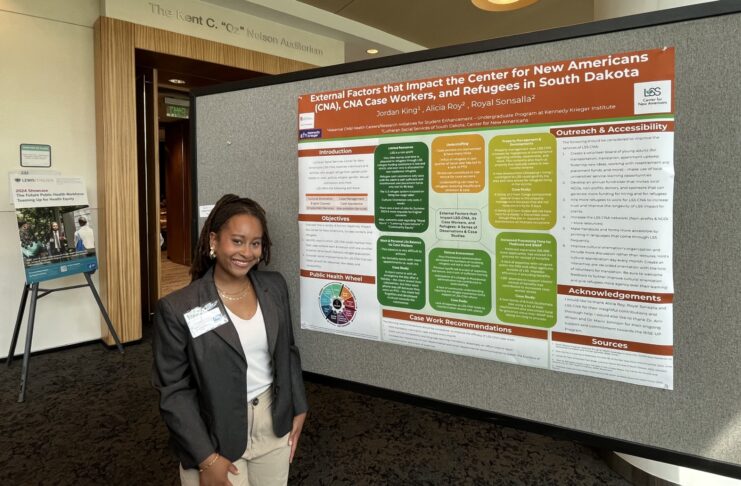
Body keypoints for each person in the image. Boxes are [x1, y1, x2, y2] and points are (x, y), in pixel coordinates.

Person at [152, 194, 308, 486]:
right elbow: (173, 390)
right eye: (237, 241)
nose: (246, 252)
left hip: (273, 424)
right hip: (214, 431)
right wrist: (205, 457)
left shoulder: (274, 287)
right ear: (213, 241)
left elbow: (287, 351)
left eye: (255, 243)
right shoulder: (178, 307)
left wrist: (298, 405)